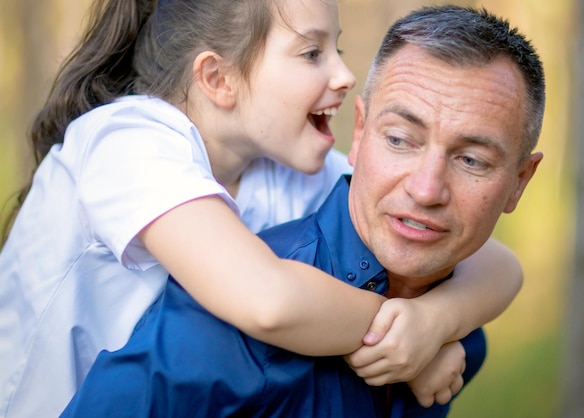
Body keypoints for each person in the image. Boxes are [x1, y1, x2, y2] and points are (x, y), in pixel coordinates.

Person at [0, 1, 524, 417]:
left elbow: (497, 262)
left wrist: (432, 323)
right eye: (311, 54)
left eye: (337, 49)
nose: (343, 75)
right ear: (219, 79)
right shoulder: (128, 141)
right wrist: (408, 349)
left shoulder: (280, 166)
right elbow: (269, 301)